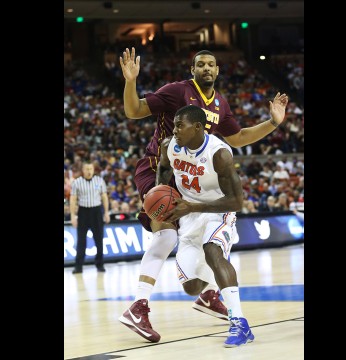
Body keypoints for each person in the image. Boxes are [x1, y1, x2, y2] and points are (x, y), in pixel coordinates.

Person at [117, 47, 288, 342]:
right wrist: (130, 81)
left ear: (218, 70)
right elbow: (133, 111)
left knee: (208, 241)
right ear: (193, 69)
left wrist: (272, 123)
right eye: (200, 64)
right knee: (168, 236)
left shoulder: (219, 102)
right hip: (159, 171)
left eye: (211, 64)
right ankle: (138, 306)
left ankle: (208, 294)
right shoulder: (176, 91)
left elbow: (239, 137)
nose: (206, 68)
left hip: (189, 181)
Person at [162, 105, 254, 347]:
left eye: (180, 125)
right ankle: (211, 288)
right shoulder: (169, 146)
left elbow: (237, 201)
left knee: (213, 251)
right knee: (191, 287)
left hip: (218, 210)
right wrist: (160, 195)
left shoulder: (219, 154)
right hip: (188, 216)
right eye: (175, 125)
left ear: (198, 127)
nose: (175, 130)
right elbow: (163, 169)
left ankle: (239, 323)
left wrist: (192, 207)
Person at [70, 161, 110, 273]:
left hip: (96, 211)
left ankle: (100, 264)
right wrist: (73, 216)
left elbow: (104, 197)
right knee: (81, 241)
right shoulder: (77, 182)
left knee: (99, 240)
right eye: (86, 169)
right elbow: (73, 200)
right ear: (83, 170)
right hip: (83, 212)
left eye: (90, 169)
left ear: (93, 169)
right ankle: (78, 266)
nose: (89, 171)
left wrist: (106, 212)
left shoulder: (99, 180)